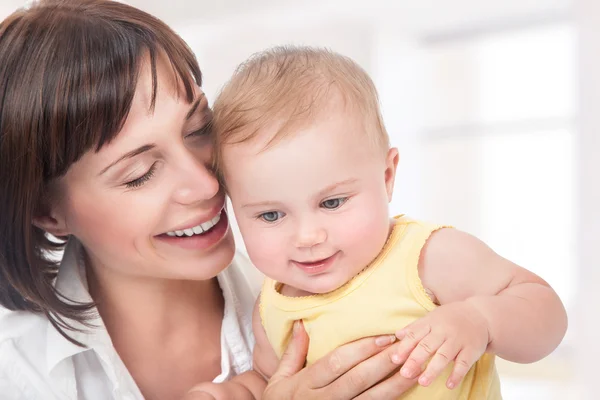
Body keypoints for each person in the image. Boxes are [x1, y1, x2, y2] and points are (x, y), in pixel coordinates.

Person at [0, 2, 423, 399]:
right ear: (47, 212)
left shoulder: (327, 284)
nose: (205, 184)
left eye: (199, 129)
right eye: (139, 174)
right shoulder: (16, 372)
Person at [207, 46, 569, 399]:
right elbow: (270, 382)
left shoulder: (427, 258)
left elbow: (546, 314)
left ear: (387, 176)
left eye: (332, 202)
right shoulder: (272, 304)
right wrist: (235, 392)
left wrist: (481, 319)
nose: (308, 236)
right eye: (271, 215)